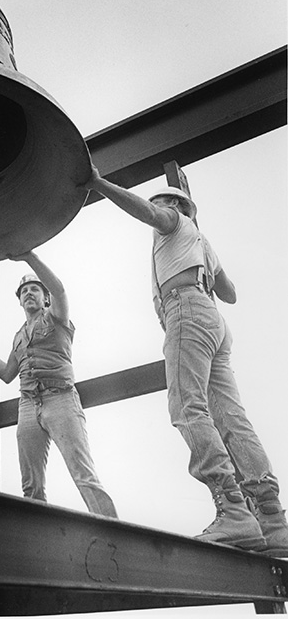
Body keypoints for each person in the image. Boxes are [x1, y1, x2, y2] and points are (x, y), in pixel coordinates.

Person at [85, 166, 288, 555]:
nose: (155, 208)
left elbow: (148, 212)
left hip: (186, 312)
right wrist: (203, 257)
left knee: (186, 407)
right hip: (213, 320)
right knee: (231, 417)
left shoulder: (172, 221)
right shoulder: (200, 240)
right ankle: (272, 518)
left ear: (175, 205)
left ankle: (232, 509)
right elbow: (229, 293)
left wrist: (98, 183)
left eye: (160, 200)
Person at [0, 249, 118, 518]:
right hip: (28, 406)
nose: (29, 293)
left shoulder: (57, 317)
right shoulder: (19, 336)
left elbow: (60, 289)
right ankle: (37, 538)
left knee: (83, 474)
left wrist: (29, 257)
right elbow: (8, 373)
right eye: (24, 291)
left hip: (61, 398)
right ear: (20, 301)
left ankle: (114, 535)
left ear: (45, 298)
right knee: (31, 486)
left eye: (35, 289)